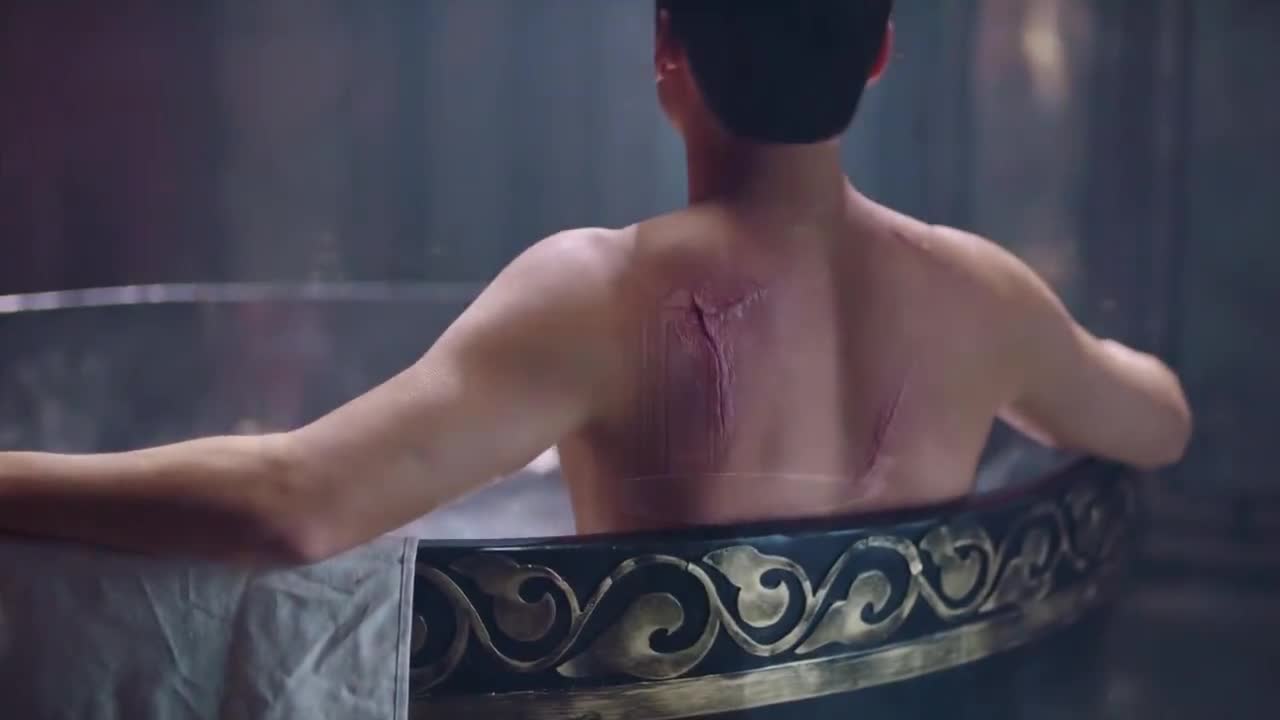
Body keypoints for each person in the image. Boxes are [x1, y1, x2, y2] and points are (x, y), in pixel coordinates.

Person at [0, 0, 1191, 566]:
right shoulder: (981, 297)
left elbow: (295, 502)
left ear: (664, 44)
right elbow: (1158, 421)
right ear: (878, 52)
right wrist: (1036, 355)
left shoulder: (600, 299)